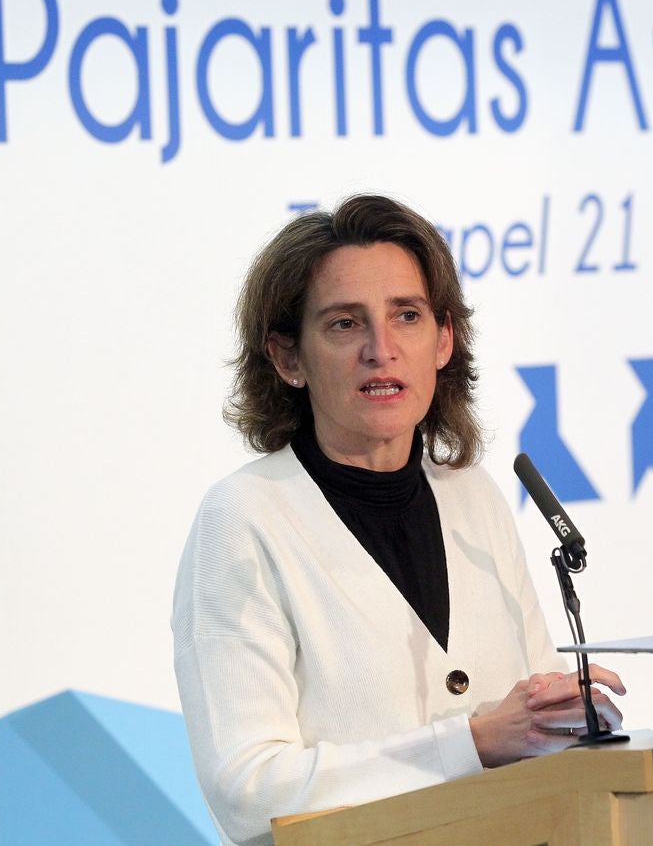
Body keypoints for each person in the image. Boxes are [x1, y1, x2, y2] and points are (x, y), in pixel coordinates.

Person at [172, 195, 626, 846]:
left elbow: (533, 721)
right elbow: (248, 790)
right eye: (343, 324)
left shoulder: (475, 496)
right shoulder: (243, 519)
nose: (380, 350)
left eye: (406, 316)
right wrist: (470, 742)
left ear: (443, 339)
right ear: (287, 357)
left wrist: (574, 715)